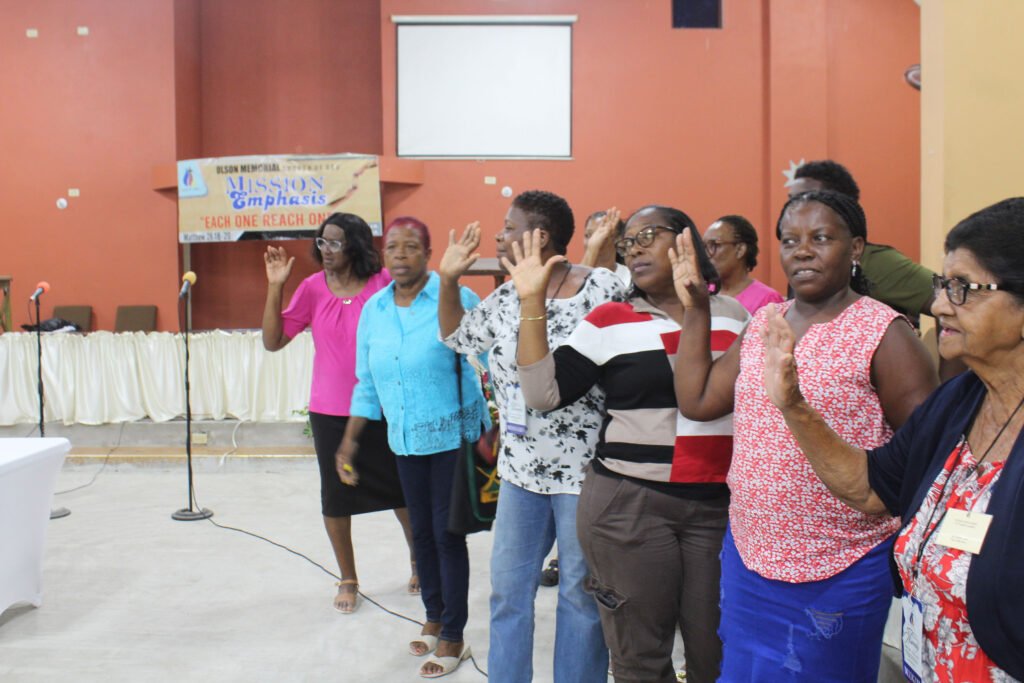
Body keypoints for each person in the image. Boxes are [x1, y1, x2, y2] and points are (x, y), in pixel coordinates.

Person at [671, 190, 937, 681]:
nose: (803, 250)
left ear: (855, 247)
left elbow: (927, 457)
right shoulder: (767, 324)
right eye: (790, 240)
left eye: (821, 238)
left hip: (842, 563)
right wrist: (695, 310)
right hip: (751, 553)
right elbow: (699, 399)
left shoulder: (885, 333)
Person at [760, 197, 1024, 682]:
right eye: (945, 285)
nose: (941, 303)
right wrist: (793, 405)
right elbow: (870, 487)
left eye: (965, 288)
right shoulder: (959, 403)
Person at [510, 205, 748, 683]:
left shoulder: (737, 317)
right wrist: (532, 302)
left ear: (686, 242)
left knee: (717, 651)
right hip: (630, 504)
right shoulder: (610, 320)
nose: (634, 248)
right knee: (640, 657)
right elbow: (543, 394)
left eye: (648, 236)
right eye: (628, 242)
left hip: (718, 509)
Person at [438, 190, 624, 683]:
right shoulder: (502, 297)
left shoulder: (601, 288)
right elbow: (460, 337)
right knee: (508, 592)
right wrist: (449, 280)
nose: (498, 235)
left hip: (585, 475)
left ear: (539, 236)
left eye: (509, 226)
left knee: (579, 597)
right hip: (520, 471)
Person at [339, 216, 488, 678]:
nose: (400, 256)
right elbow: (367, 380)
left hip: (452, 438)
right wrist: (349, 440)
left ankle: (455, 635)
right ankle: (435, 614)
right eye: (392, 249)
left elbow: (483, 358)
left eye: (410, 248)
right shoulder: (375, 309)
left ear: (428, 254)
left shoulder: (456, 296)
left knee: (447, 536)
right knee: (420, 535)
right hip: (404, 439)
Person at [261, 212, 415, 614]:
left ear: (356, 247)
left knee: (404, 491)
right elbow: (273, 341)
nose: (324, 250)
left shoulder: (382, 284)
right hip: (330, 410)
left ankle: (420, 562)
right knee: (336, 497)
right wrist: (276, 288)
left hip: (385, 407)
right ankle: (348, 577)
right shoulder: (312, 288)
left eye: (334, 243)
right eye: (321, 242)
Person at [704, 214, 784, 314]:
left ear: (740, 250)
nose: (706, 254)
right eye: (704, 247)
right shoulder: (703, 294)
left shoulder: (767, 299)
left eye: (714, 245)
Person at [581, 208, 631, 286]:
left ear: (617, 239)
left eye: (601, 234)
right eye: (588, 235)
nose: (593, 241)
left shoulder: (630, 277)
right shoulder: (571, 275)